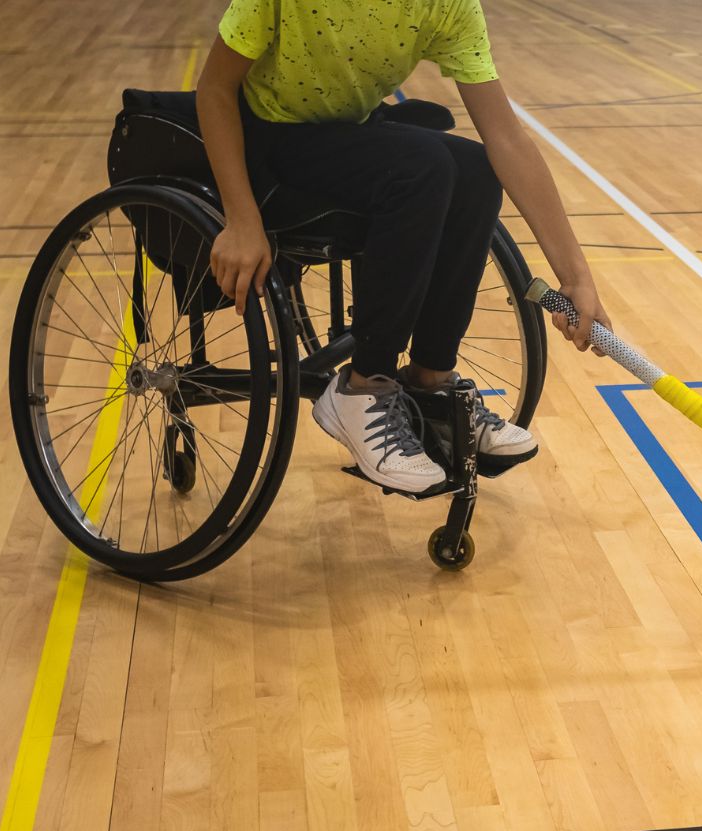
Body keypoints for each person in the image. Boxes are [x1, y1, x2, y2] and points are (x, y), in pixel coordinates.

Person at [195, 0, 610, 493]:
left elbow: (507, 138)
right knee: (423, 164)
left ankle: (429, 383)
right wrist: (241, 219)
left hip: (347, 133)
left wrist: (577, 278)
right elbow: (214, 90)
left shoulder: (446, 5)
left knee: (476, 171)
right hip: (266, 142)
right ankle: (360, 387)